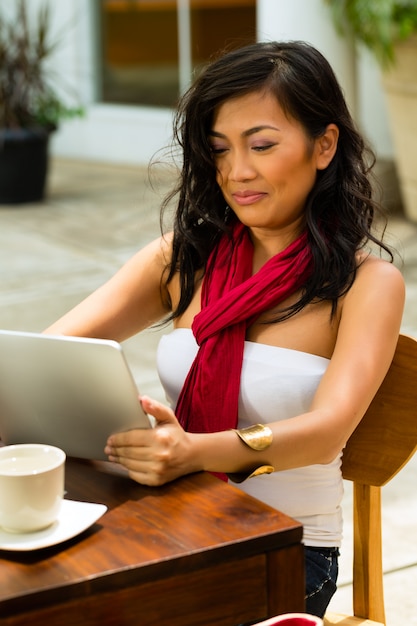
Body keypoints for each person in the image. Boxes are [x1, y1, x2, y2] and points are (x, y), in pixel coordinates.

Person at [45, 41, 405, 618]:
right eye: (219, 149)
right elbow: (46, 356)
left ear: (324, 145)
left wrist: (191, 452)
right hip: (168, 519)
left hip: (289, 550)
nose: (237, 172)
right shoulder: (181, 258)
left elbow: (326, 432)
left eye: (262, 145)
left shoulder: (366, 284)